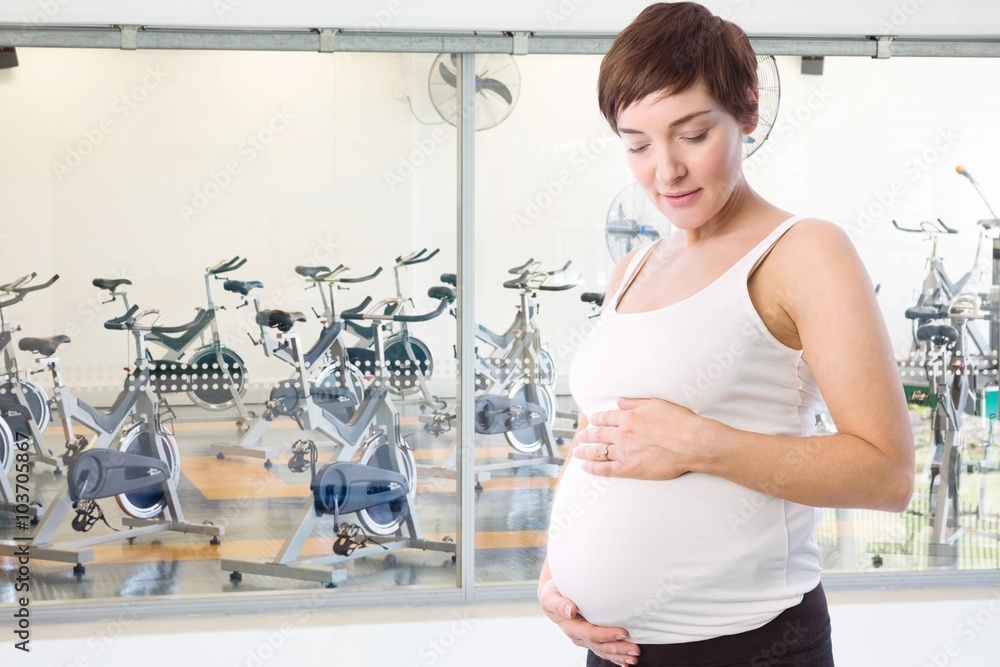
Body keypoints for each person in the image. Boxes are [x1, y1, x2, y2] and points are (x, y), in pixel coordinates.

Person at [537, 3, 914, 666]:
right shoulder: (636, 268)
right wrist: (557, 574)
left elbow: (885, 472)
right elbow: (601, 432)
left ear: (746, 111)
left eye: (691, 133)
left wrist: (702, 444)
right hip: (616, 650)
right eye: (637, 143)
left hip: (749, 647)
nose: (665, 169)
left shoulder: (804, 252)